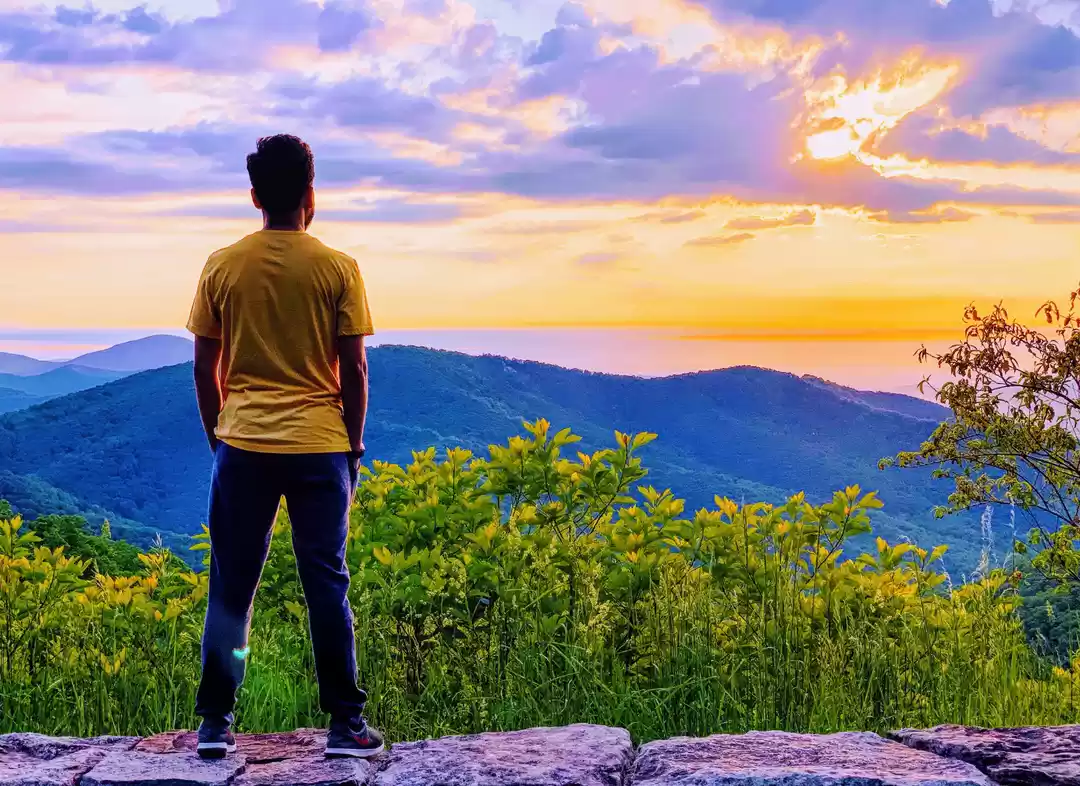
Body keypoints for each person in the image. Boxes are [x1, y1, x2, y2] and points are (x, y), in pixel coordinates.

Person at [186, 134, 384, 760]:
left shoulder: (223, 265)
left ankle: (215, 723)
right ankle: (346, 725)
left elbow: (204, 365)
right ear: (310, 194)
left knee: (232, 584)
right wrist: (352, 446)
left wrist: (219, 433)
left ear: (254, 196)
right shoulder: (338, 268)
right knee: (326, 581)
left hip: (241, 443)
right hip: (320, 445)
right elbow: (354, 368)